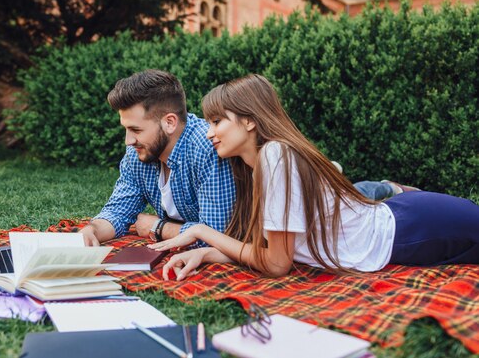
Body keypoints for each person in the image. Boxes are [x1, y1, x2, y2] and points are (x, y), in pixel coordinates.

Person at [149, 74, 479, 280]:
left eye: (217, 121)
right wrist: (207, 251)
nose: (209, 133)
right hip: (402, 216)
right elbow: (268, 250)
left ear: (249, 121)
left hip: (412, 229)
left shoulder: (275, 156)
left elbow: (277, 264)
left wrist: (202, 233)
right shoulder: (256, 166)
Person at [79, 69, 236, 246]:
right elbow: (118, 212)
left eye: (136, 130)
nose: (128, 141)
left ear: (169, 122)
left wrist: (159, 227)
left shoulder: (206, 148)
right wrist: (92, 230)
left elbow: (218, 235)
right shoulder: (138, 153)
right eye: (126, 129)